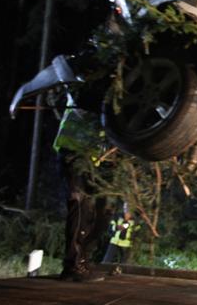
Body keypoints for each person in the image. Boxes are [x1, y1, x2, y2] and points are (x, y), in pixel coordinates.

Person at [53, 101, 113, 282]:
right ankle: (73, 266)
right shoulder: (87, 92)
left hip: (88, 161)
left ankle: (82, 260)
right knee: (80, 207)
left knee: (101, 212)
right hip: (72, 154)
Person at [102, 202, 139, 269]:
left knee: (123, 265)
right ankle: (102, 271)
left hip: (126, 244)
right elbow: (110, 227)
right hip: (115, 242)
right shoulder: (117, 216)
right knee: (106, 261)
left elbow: (136, 232)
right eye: (125, 207)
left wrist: (132, 239)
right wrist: (116, 228)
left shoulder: (135, 220)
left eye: (128, 208)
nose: (126, 210)